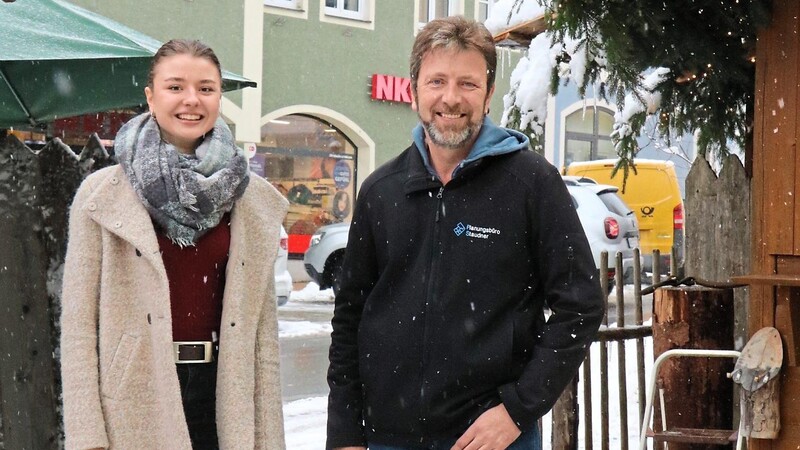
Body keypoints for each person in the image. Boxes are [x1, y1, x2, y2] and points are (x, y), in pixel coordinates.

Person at [326, 16, 604, 450]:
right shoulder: (381, 191)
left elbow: (580, 305)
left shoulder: (531, 184)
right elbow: (349, 319)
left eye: (468, 84)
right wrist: (344, 433)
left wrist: (517, 409)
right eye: (437, 81)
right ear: (413, 89)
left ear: (489, 94)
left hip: (491, 440)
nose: (450, 98)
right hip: (386, 438)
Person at [60, 39, 288, 450]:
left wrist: (269, 436)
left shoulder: (250, 198)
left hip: (225, 393)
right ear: (150, 96)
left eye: (206, 88)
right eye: (175, 86)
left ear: (220, 97)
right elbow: (78, 329)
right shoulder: (102, 196)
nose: (191, 101)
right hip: (134, 395)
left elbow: (262, 336)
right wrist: (86, 435)